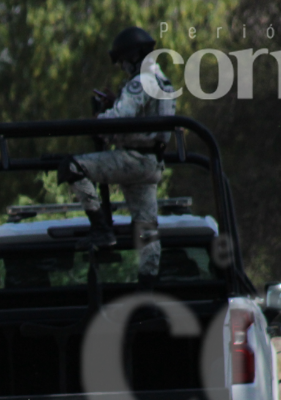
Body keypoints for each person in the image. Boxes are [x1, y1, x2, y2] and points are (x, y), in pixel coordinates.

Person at [57, 25, 178, 287]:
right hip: (152, 163)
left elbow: (119, 120)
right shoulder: (162, 80)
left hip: (133, 160)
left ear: (133, 56)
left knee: (72, 166)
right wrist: (116, 101)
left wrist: (97, 121)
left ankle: (101, 229)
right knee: (146, 230)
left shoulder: (141, 81)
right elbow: (141, 115)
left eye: (123, 61)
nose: (122, 67)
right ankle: (149, 286)